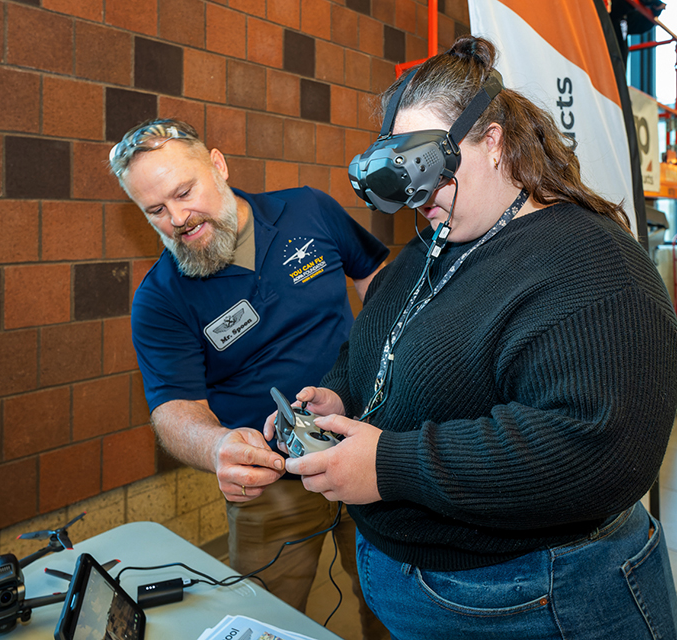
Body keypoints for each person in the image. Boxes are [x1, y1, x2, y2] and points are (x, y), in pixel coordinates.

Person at [272, 36, 677, 640]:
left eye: (428, 166)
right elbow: (373, 346)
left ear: (493, 142)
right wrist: (338, 397)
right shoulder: (435, 244)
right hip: (425, 590)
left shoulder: (594, 268)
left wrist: (390, 466)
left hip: (541, 601)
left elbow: (594, 449)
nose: (419, 197)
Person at [109, 118, 389, 637]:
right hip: (272, 489)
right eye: (155, 210)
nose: (177, 218)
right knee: (263, 622)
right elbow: (174, 410)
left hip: (370, 446)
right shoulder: (160, 299)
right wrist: (217, 448)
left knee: (392, 605)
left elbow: (379, 282)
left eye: (184, 192)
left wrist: (393, 372)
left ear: (218, 164)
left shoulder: (308, 208)